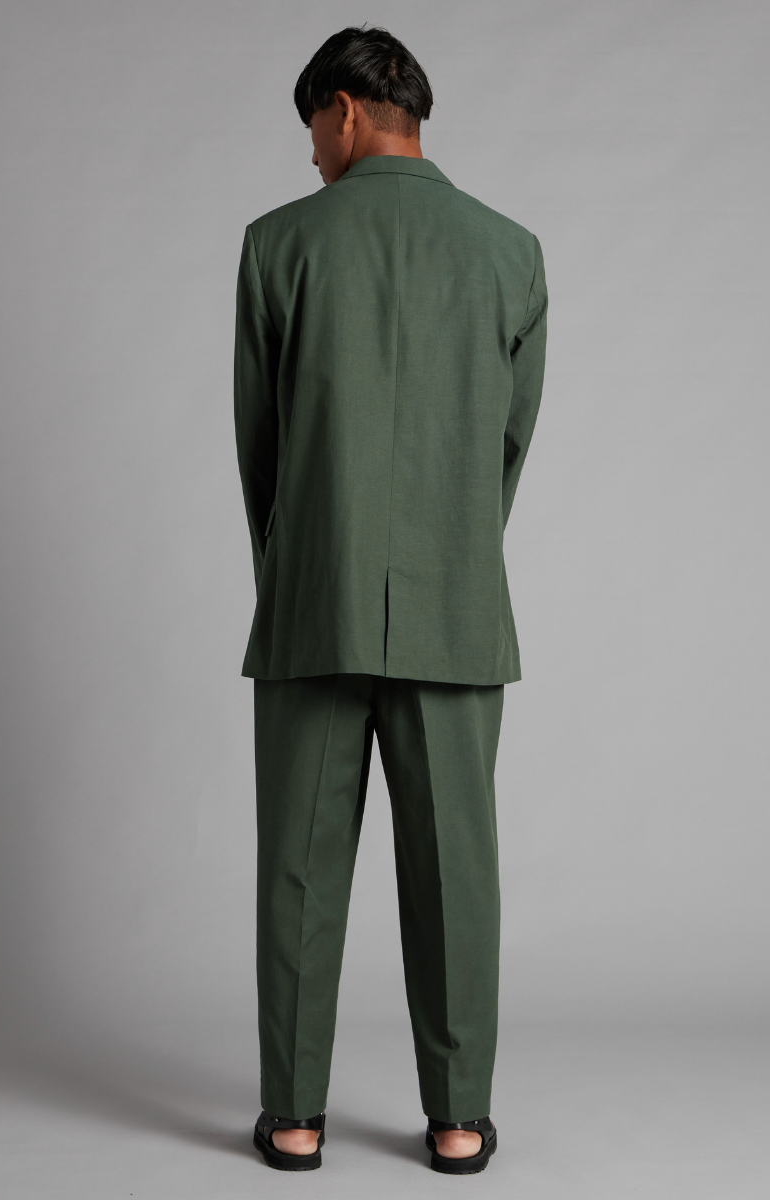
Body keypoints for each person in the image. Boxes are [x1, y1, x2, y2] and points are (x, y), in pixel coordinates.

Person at [234, 25, 547, 1176]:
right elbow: (506, 443)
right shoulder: (509, 252)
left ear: (347, 112)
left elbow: (260, 448)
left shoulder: (279, 243)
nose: (312, 154)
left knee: (298, 871)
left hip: (310, 602)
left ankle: (294, 1120)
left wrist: (296, 568)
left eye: (313, 130)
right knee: (454, 874)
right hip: (456, 607)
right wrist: (451, 551)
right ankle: (458, 1120)